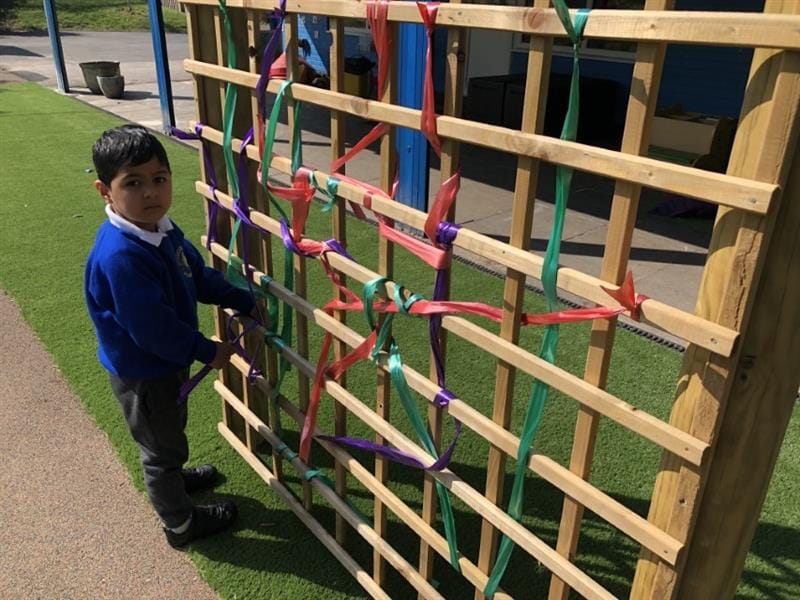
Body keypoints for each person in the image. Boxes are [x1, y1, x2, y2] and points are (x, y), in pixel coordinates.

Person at [84, 125, 254, 548]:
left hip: (164, 363)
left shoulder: (160, 228)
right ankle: (179, 525)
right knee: (160, 448)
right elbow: (152, 329)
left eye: (159, 179)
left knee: (169, 431)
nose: (150, 193)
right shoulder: (122, 255)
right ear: (105, 191)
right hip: (144, 372)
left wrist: (238, 297)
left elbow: (193, 274)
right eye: (133, 183)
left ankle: (176, 477)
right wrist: (206, 351)